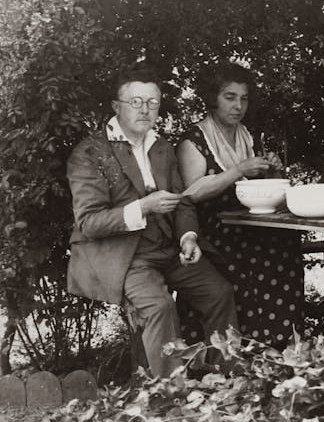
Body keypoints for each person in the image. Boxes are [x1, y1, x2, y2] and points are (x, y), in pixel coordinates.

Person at [66, 66, 238, 378]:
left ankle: (224, 383)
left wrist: (188, 237)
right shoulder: (90, 153)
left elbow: (182, 199)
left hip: (170, 248)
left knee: (220, 292)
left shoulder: (161, 147)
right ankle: (170, 399)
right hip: (126, 258)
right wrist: (143, 206)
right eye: (136, 102)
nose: (145, 109)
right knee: (159, 308)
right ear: (117, 106)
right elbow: (89, 222)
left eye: (153, 102)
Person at [176, 62, 305, 345]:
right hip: (213, 232)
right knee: (253, 260)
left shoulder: (245, 135)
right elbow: (190, 195)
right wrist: (238, 170)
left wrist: (270, 169)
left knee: (285, 244)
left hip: (246, 225)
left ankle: (279, 343)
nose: (238, 106)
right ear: (213, 98)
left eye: (244, 99)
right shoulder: (194, 139)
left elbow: (255, 186)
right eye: (230, 97)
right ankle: (241, 347)